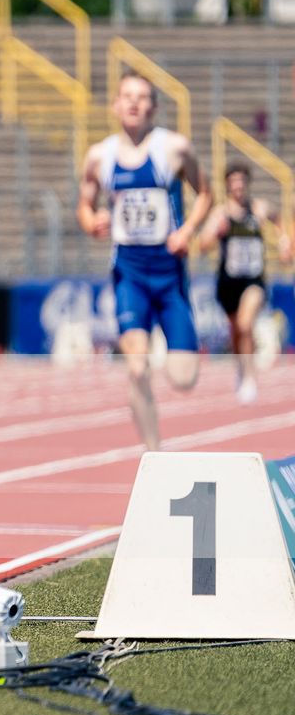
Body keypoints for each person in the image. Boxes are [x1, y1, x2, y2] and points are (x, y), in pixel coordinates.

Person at [77, 73, 210, 450]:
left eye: (143, 97)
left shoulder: (175, 149)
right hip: (129, 275)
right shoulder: (100, 157)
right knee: (136, 368)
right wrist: (92, 222)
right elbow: (84, 206)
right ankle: (154, 454)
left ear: (153, 106)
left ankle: (177, 356)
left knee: (183, 378)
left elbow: (205, 194)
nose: (134, 103)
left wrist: (187, 232)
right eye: (127, 97)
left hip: (169, 277)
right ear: (116, 105)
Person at [199, 165, 285, 405]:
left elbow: (279, 220)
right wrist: (216, 233)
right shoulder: (220, 214)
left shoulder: (259, 209)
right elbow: (203, 245)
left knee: (246, 325)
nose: (238, 186)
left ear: (247, 183)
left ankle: (249, 377)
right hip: (228, 283)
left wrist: (285, 241)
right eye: (233, 181)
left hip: (253, 280)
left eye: (241, 181)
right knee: (237, 332)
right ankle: (241, 367)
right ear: (227, 185)